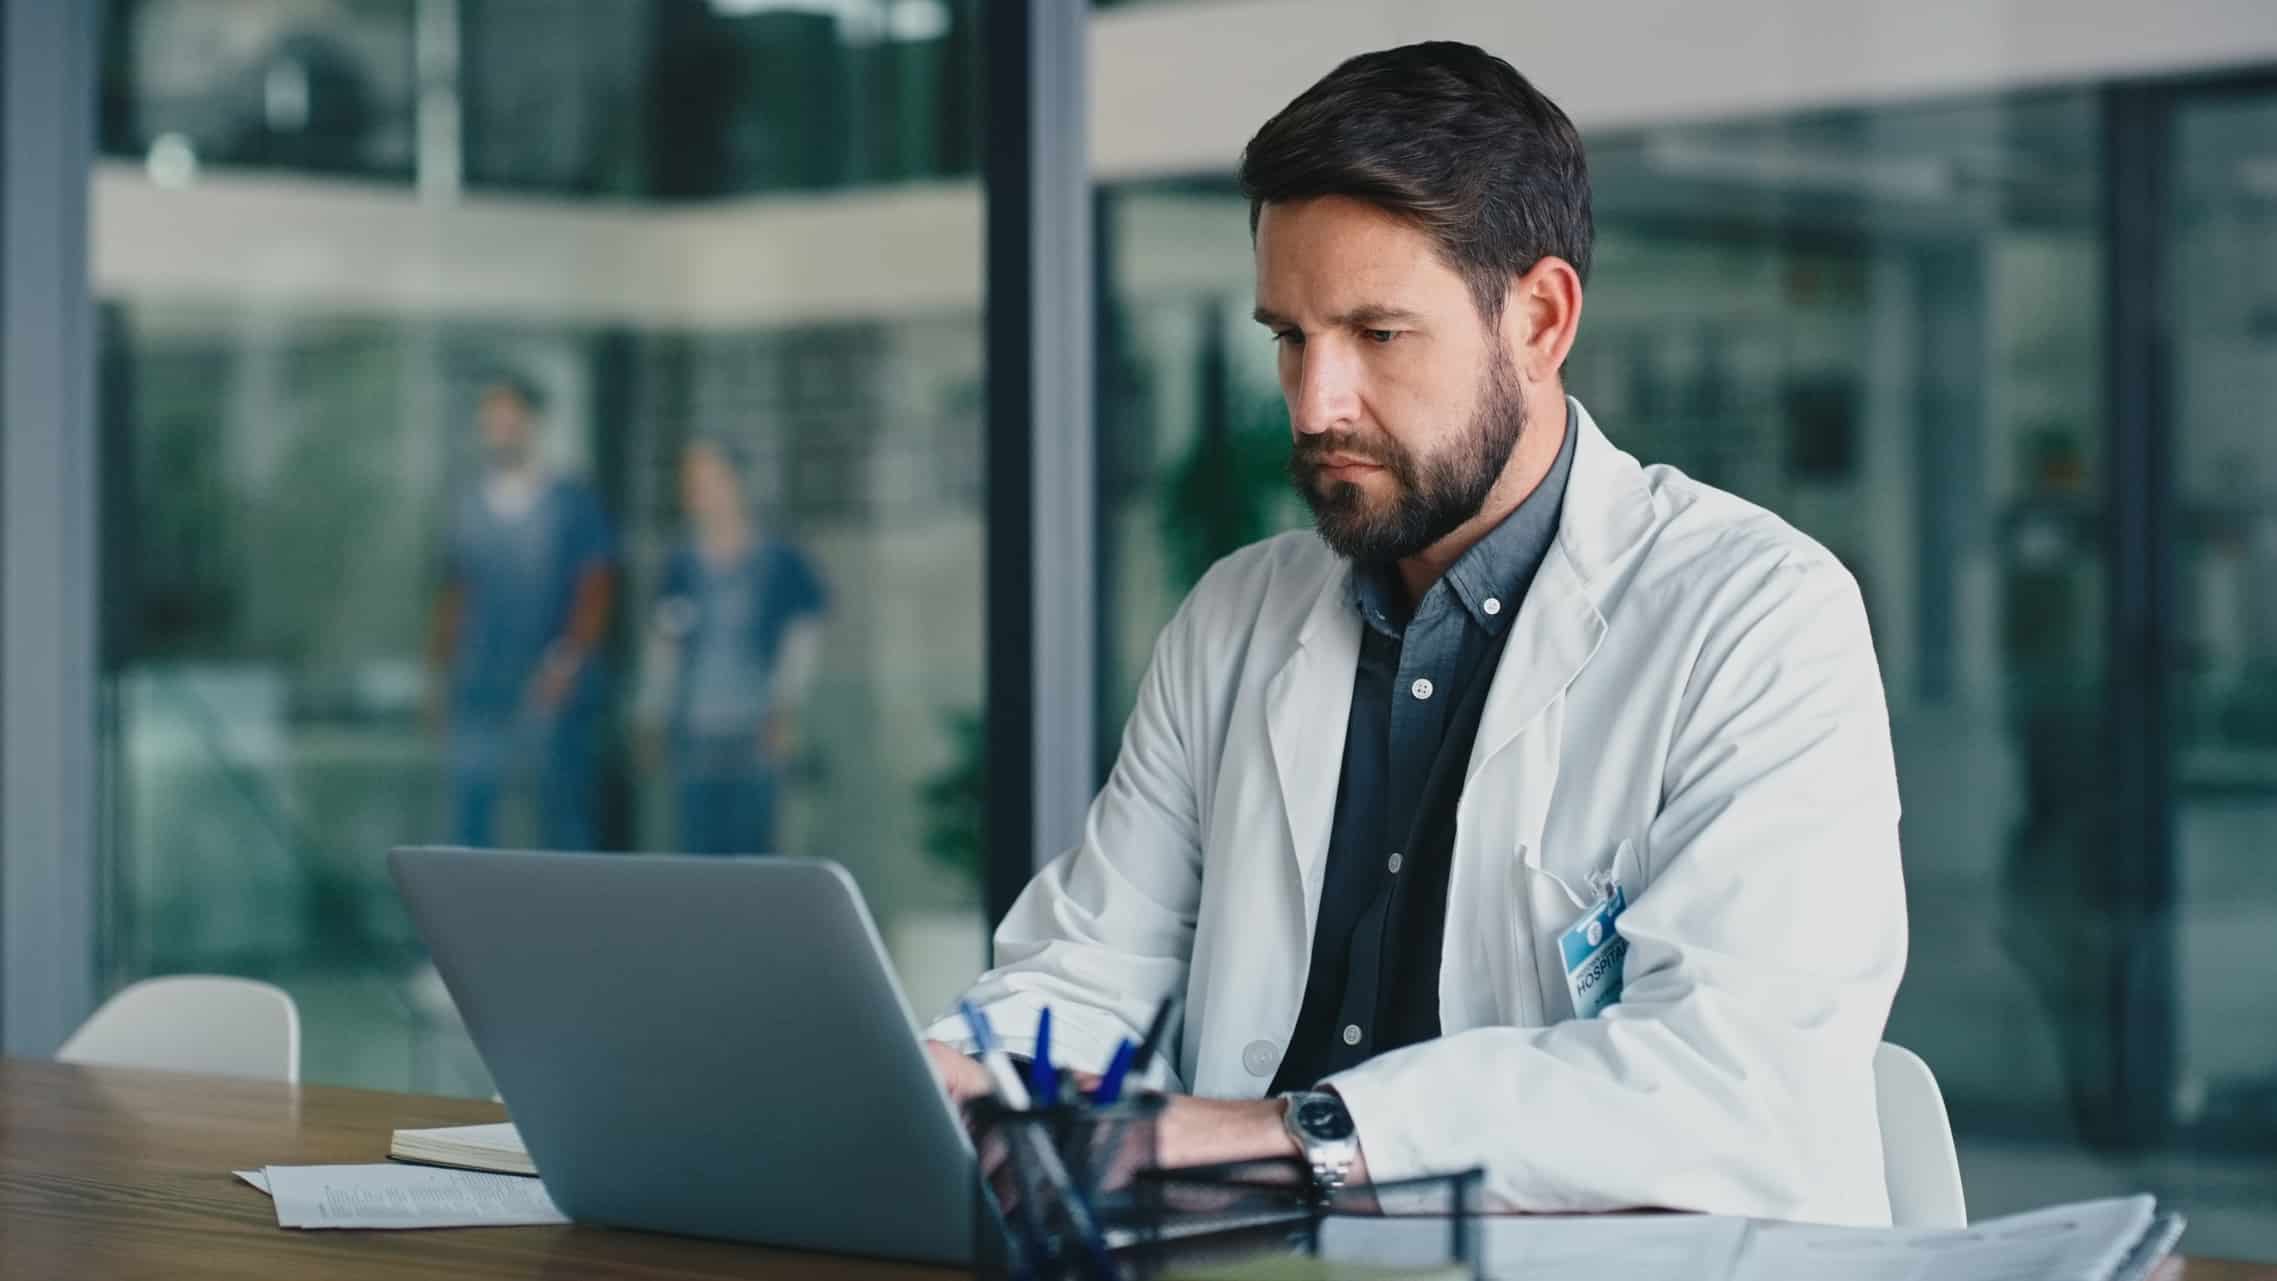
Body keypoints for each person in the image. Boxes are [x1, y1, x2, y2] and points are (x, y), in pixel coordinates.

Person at [923, 43, 1906, 1226]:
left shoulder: (1757, 615)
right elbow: (1088, 974)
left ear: (1540, 318)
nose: (1314, 401)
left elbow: (1733, 1082)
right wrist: (967, 1083)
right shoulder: (1237, 617)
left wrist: (1283, 1142)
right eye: (1288, 336)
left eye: (1377, 335)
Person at [426, 372, 618, 850]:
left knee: (560, 819)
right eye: (491, 418)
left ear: (533, 422)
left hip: (546, 688)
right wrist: (439, 676)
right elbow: (455, 595)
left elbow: (595, 588)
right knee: (470, 819)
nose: (500, 427)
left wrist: (566, 663)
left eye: (509, 416)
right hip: (478, 689)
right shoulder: (468, 505)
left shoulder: (570, 502)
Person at [636, 437, 828, 855]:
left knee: (757, 849)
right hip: (697, 730)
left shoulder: (778, 560)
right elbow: (664, 645)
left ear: (734, 483)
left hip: (757, 729)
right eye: (690, 482)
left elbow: (801, 639)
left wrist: (786, 708)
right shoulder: (681, 564)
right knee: (698, 850)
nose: (695, 491)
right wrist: (652, 714)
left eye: (706, 479)